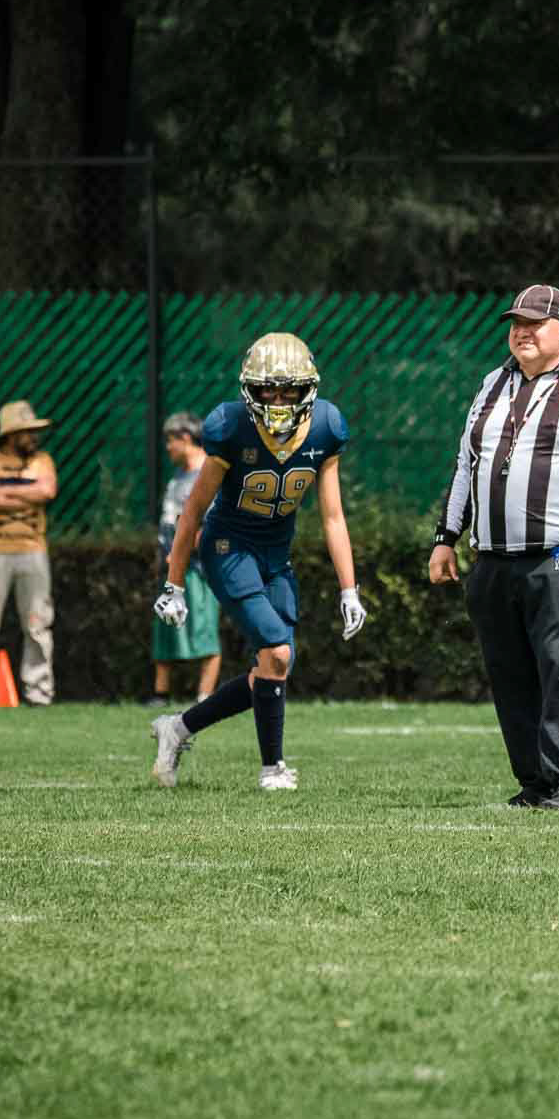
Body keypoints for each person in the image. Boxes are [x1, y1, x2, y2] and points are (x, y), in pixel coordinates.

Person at [428, 284, 559, 811]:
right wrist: (445, 537)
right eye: (516, 323)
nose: (522, 331)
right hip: (492, 559)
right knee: (509, 674)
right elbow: (466, 464)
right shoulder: (492, 383)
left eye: (534, 323)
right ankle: (534, 782)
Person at [147, 332, 368, 790]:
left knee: (274, 666)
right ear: (250, 389)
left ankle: (178, 728)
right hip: (228, 548)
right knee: (277, 649)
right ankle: (272, 769)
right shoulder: (231, 427)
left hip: (276, 553)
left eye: (290, 390)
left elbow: (332, 516)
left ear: (308, 389)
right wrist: (174, 583)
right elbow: (193, 511)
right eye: (269, 390)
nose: (280, 401)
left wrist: (350, 589)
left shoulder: (326, 426)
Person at [0, 400, 58, 706]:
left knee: (38, 623)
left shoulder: (43, 460)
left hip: (33, 552)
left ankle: (39, 692)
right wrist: (28, 493)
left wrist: (5, 491)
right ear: (10, 434)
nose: (33, 437)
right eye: (27, 432)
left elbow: (47, 491)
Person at [147, 412, 222, 707]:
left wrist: (183, 550)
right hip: (171, 567)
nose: (168, 447)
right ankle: (160, 693)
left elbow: (212, 524)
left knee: (204, 629)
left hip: (198, 569)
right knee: (164, 626)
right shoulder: (178, 477)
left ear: (186, 438)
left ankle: (204, 696)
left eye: (171, 440)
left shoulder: (208, 472)